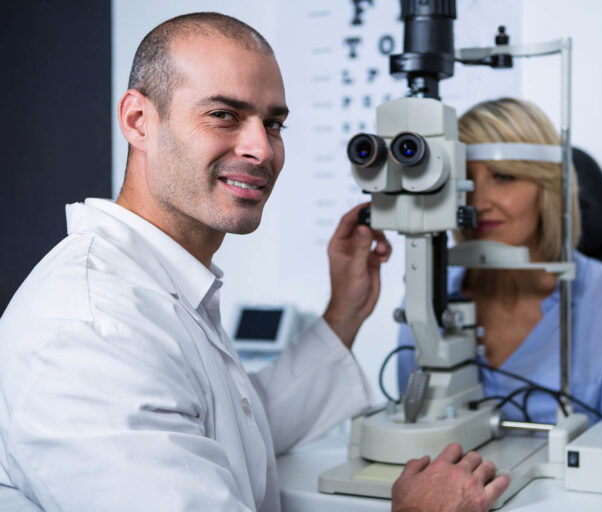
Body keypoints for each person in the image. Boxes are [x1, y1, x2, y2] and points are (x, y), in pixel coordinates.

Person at [0, 12, 509, 512]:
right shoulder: (92, 329)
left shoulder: (157, 283)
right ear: (138, 121)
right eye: (223, 115)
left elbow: (234, 424)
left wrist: (345, 314)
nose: (261, 149)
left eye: (273, 123)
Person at [398, 98, 602, 424]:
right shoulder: (426, 300)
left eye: (503, 177)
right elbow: (413, 429)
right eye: (464, 180)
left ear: (548, 188)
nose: (478, 202)